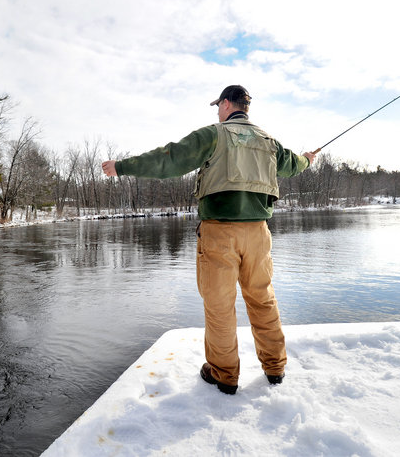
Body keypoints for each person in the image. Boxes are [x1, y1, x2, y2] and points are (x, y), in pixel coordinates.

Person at [101, 85, 315, 395]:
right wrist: (307, 159)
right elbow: (295, 165)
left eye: (218, 106)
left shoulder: (213, 134)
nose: (217, 112)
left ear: (227, 104)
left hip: (220, 234)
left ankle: (225, 375)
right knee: (262, 298)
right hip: (258, 233)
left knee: (219, 305)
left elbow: (168, 160)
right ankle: (275, 368)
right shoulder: (271, 143)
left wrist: (122, 166)